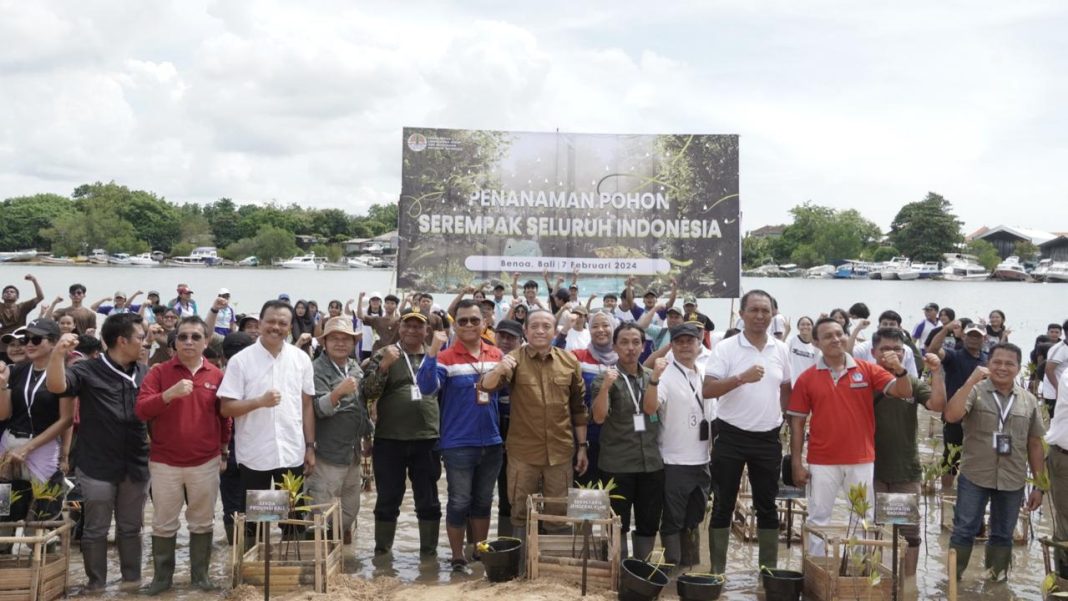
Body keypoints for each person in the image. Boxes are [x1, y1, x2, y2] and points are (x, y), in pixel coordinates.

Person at [788, 318, 913, 556]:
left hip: (861, 459)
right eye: (828, 336)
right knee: (818, 517)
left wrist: (900, 369)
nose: (836, 339)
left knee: (862, 517)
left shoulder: (867, 369)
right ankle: (818, 568)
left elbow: (903, 391)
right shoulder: (807, 378)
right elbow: (797, 422)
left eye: (840, 333)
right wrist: (796, 462)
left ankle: (859, 571)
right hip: (822, 460)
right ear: (816, 342)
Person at [45, 313, 149, 591]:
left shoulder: (145, 372)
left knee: (130, 527)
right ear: (122, 340)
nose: (144, 342)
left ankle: (132, 584)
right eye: (140, 337)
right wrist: (57, 354)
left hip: (136, 463)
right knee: (96, 528)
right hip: (96, 464)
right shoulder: (87, 369)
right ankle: (96, 586)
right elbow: (56, 386)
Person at [481, 308, 588, 562]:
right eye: (535, 326)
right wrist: (498, 368)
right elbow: (485, 388)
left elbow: (578, 408)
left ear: (555, 331)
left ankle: (555, 567)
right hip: (523, 452)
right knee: (520, 511)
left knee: (559, 512)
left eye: (546, 326)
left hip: (561, 451)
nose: (540, 330)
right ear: (526, 331)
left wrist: (582, 446)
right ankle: (519, 566)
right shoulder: (513, 359)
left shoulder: (569, 361)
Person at [134, 315, 228, 594]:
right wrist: (168, 394)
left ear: (206, 342)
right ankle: (162, 579)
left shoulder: (217, 375)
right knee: (163, 522)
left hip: (206, 460)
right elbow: (141, 410)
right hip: (164, 462)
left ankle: (200, 577)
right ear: (174, 342)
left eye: (195, 337)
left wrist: (224, 450)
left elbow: (225, 418)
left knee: (202, 521)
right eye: (183, 337)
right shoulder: (159, 372)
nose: (188, 342)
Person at [703, 290, 791, 572]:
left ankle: (768, 574)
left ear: (773, 314)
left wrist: (785, 420)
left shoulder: (781, 349)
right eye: (753, 310)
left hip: (767, 438)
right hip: (731, 435)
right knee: (723, 505)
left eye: (765, 310)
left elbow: (786, 388)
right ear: (741, 314)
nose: (760, 316)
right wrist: (741, 378)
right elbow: (708, 389)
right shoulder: (727, 348)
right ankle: (717, 572)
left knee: (767, 506)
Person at [944, 343, 1045, 581]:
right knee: (964, 530)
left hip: (1012, 479)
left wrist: (1040, 486)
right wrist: (970, 380)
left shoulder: (1028, 401)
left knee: (1003, 534)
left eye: (1009, 363)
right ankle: (952, 584)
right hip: (975, 475)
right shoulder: (975, 390)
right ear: (988, 363)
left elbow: (1035, 444)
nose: (1002, 368)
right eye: (997, 362)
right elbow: (951, 415)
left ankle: (996, 585)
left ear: (1018, 368)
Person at [418, 300, 504, 571]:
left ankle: (479, 551)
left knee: (483, 501)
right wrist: (433, 349)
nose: (468, 325)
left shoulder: (496, 355)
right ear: (455, 324)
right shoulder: (445, 357)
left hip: (491, 440)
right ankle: (457, 556)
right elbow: (427, 388)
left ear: (485, 323)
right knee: (459, 501)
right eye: (463, 320)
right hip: (457, 443)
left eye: (474, 320)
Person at [218, 300, 316, 532]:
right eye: (270, 321)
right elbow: (226, 408)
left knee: (293, 524)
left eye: (283, 323)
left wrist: (310, 446)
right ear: (260, 324)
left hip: (291, 452)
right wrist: (258, 402)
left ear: (291, 326)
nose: (276, 327)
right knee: (258, 524)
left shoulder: (300, 359)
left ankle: (290, 567)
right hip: (256, 456)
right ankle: (258, 567)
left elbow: (307, 405)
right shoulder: (241, 361)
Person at [360, 311, 442, 557]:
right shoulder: (384, 353)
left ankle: (429, 555)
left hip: (427, 439)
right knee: (387, 499)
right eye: (408, 325)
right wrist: (384, 365)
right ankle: (382, 553)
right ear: (400, 327)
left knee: (428, 501)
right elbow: (366, 392)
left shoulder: (434, 354)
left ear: (426, 331)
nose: (413, 331)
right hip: (389, 439)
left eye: (419, 326)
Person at [870, 328, 946, 576]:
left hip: (904, 469)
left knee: (909, 533)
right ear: (873, 353)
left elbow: (937, 405)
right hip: (870, 468)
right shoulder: (865, 381)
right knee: (872, 530)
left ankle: (908, 586)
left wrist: (937, 373)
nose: (891, 354)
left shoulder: (912, 383)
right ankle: (875, 582)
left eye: (897, 349)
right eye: (885, 349)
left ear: (905, 354)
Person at [643, 323, 713, 571]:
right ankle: (673, 567)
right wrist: (652, 381)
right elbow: (649, 409)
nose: (685, 346)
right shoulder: (666, 375)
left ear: (699, 344)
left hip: (702, 460)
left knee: (696, 517)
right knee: (673, 518)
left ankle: (690, 566)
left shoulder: (706, 371)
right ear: (671, 346)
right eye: (679, 341)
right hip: (674, 461)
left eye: (690, 341)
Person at [591, 322, 662, 562]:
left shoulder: (653, 376)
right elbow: (599, 417)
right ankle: (617, 571)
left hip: (651, 463)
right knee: (616, 523)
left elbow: (655, 410)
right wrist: (605, 388)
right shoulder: (605, 377)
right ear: (614, 346)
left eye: (635, 342)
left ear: (643, 346)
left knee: (648, 521)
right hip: (617, 464)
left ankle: (642, 570)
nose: (630, 348)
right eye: (624, 342)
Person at [307, 317, 371, 545]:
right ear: (324, 342)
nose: (341, 343)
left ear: (353, 342)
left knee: (350, 510)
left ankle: (337, 552)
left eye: (346, 339)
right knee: (319, 512)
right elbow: (317, 409)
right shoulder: (315, 369)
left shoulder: (354, 366)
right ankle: (320, 558)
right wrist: (337, 393)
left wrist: (367, 437)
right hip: (327, 452)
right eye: (334, 338)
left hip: (352, 453)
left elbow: (361, 408)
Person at [931, 321, 988, 491]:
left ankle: (972, 492)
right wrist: (946, 329)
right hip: (955, 416)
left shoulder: (988, 359)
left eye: (977, 336)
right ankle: (946, 492)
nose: (973, 339)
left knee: (979, 457)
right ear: (963, 336)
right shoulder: (953, 356)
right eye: (970, 334)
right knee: (951, 457)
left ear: (984, 338)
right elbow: (933, 350)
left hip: (980, 416)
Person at [491, 319, 524, 537]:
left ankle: (511, 543)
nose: (505, 341)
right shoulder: (485, 360)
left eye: (510, 337)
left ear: (520, 341)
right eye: (501, 335)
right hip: (489, 434)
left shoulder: (526, 363)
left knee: (513, 492)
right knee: (478, 494)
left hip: (519, 437)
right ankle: (474, 549)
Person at [0, 274, 44, 363]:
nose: (9, 293)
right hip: (3, 342)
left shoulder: (22, 306)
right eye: (6, 292)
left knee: (21, 366)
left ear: (17, 297)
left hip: (20, 340)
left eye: (12, 292)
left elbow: (40, 297)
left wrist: (34, 280)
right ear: (2, 297)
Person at [788, 316, 818, 385]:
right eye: (802, 324)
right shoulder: (791, 340)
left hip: (809, 384)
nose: (805, 327)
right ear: (798, 327)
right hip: (793, 383)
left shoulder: (816, 346)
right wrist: (786, 332)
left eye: (808, 324)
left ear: (812, 327)